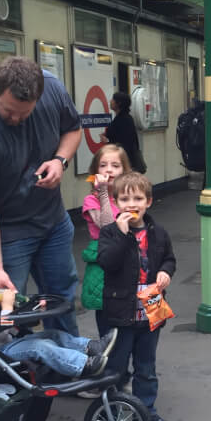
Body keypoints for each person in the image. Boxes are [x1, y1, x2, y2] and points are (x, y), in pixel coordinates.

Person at [0, 56, 83, 335]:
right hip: (5, 231)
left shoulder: (52, 88)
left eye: (25, 113)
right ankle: (17, 360)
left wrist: (60, 160)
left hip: (51, 220)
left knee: (62, 299)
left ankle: (67, 356)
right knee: (9, 313)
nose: (16, 119)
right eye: (8, 110)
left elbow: (72, 129)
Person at [97, 171, 176, 421]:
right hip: (121, 312)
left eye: (138, 199)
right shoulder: (109, 233)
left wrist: (165, 271)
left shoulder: (159, 233)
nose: (131, 204)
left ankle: (147, 412)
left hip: (151, 310)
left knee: (146, 367)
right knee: (116, 367)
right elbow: (108, 263)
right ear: (116, 203)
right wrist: (122, 236)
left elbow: (169, 258)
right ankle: (112, 413)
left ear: (148, 202)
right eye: (124, 199)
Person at [0, 259, 115, 378]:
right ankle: (82, 365)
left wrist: (0, 299)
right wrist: (7, 307)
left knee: (51, 334)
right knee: (40, 346)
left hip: (3, 346)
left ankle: (90, 346)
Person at [81, 144, 131, 337]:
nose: (108, 170)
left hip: (127, 257)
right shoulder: (91, 200)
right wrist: (103, 193)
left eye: (115, 166)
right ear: (95, 171)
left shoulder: (127, 198)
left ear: (124, 171)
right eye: (103, 165)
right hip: (103, 260)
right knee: (106, 311)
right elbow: (107, 227)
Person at [102, 91, 144, 173]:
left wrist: (107, 141)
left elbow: (124, 142)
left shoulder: (123, 120)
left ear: (119, 103)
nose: (110, 101)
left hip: (123, 162)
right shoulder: (124, 118)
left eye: (113, 99)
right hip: (122, 160)